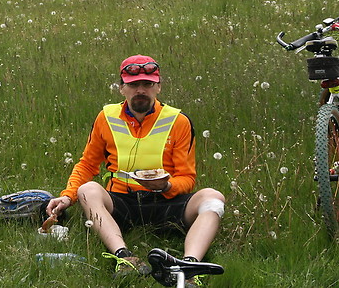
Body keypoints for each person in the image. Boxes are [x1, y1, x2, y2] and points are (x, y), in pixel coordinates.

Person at [46, 55, 225, 283]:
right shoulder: (106, 118)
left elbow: (187, 178)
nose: (141, 90)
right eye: (133, 84)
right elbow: (88, 164)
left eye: (147, 84)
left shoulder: (178, 121)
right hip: (122, 203)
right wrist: (67, 196)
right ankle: (124, 257)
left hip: (166, 202)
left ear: (158, 87)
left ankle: (189, 266)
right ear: (121, 88)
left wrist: (166, 186)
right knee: (87, 190)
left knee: (213, 198)